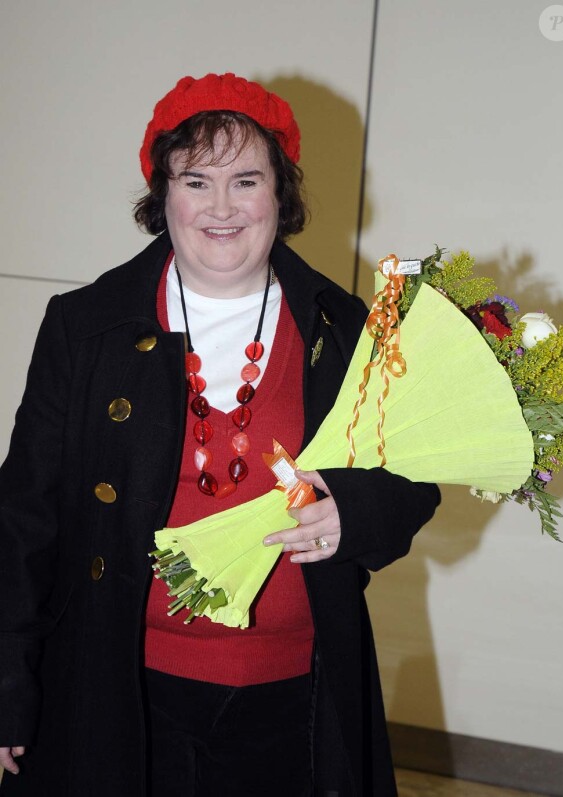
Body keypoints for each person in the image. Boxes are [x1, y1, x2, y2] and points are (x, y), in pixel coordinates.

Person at [0, 73, 440, 796]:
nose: (222, 207)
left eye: (247, 180)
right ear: (162, 193)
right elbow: (22, 521)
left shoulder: (343, 325)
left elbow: (415, 479)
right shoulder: (85, 327)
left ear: (281, 193)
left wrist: (353, 511)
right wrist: (9, 686)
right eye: (196, 180)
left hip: (296, 692)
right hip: (124, 688)